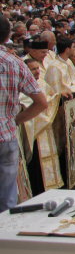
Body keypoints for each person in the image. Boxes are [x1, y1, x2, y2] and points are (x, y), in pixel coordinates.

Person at [0, 16, 48, 212]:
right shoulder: (15, 62)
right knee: (6, 196)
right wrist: (14, 120)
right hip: (7, 135)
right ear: (7, 36)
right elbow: (41, 102)